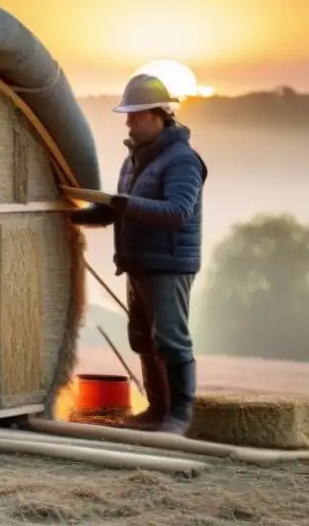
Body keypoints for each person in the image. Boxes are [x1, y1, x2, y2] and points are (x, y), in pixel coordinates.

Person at [71, 73, 208, 435]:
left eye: (136, 114)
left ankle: (178, 417)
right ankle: (156, 410)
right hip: (138, 264)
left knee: (171, 338)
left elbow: (177, 212)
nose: (129, 121)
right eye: (128, 114)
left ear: (159, 115)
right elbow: (115, 211)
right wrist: (69, 215)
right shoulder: (133, 161)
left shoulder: (182, 161)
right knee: (143, 339)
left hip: (168, 266)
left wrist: (124, 203)